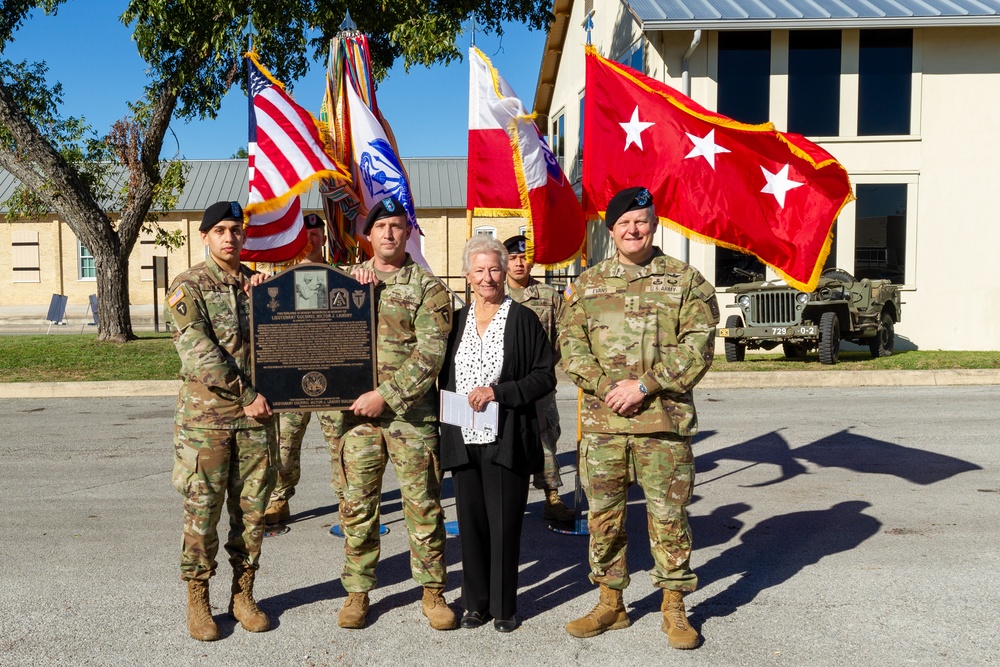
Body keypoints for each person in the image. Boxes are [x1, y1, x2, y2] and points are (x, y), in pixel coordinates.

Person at [558, 187, 719, 650]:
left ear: (654, 225)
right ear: (611, 230)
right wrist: (609, 388)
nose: (633, 229)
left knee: (669, 517)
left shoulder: (685, 281)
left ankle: (674, 605)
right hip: (604, 424)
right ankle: (611, 602)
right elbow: (572, 347)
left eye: (642, 221)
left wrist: (643, 386)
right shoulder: (587, 285)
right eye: (624, 222)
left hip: (662, 424)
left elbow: (698, 347)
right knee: (604, 517)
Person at [335, 196, 456, 631]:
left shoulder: (429, 288)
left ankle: (432, 591)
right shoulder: (346, 281)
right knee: (358, 504)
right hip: (356, 418)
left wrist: (385, 395)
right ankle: (357, 591)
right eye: (381, 226)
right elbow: (305, 327)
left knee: (423, 504)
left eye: (397, 226)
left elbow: (431, 353)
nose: (389, 233)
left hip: (410, 416)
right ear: (367, 235)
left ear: (408, 234)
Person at [167, 200, 277, 641]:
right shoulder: (187, 285)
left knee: (252, 513)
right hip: (206, 422)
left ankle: (243, 594)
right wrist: (247, 395)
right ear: (205, 237)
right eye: (220, 231)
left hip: (256, 424)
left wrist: (274, 300)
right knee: (203, 512)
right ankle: (198, 600)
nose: (230, 237)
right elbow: (197, 351)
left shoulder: (259, 285)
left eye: (236, 229)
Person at [439, 236, 556, 632]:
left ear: (505, 272)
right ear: (467, 276)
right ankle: (475, 604)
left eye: (494, 268)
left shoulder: (523, 320)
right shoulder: (455, 322)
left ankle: (504, 607)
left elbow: (544, 375)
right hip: (463, 438)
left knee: (504, 525)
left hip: (506, 436)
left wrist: (499, 392)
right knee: (470, 525)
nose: (488, 277)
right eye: (480, 270)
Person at [264, 213, 345, 526]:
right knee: (285, 444)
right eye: (305, 234)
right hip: (293, 378)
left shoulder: (343, 277)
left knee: (341, 444)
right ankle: (279, 500)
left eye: (315, 235)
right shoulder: (280, 282)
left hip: (334, 377)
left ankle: (347, 500)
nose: (310, 240)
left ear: (324, 239)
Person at [502, 235, 573, 523]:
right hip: (504, 384)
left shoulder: (549, 297)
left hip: (540, 385)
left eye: (524, 257)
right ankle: (507, 499)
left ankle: (551, 498)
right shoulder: (495, 294)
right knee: (506, 439)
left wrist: (543, 370)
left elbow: (564, 336)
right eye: (513, 258)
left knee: (546, 439)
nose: (519, 263)